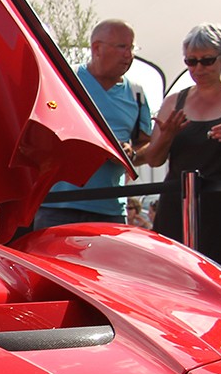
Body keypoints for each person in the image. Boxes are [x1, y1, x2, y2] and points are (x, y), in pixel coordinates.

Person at [141, 24, 221, 278]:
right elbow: (154, 160)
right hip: (178, 210)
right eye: (191, 62)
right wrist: (167, 136)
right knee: (176, 286)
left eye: (207, 61)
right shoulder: (174, 101)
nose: (199, 69)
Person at [34, 19, 151, 229]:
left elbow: (147, 146)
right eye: (122, 47)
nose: (129, 55)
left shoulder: (137, 94)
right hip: (56, 207)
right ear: (96, 48)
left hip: (111, 210)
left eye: (132, 47)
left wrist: (131, 153)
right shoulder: (63, 79)